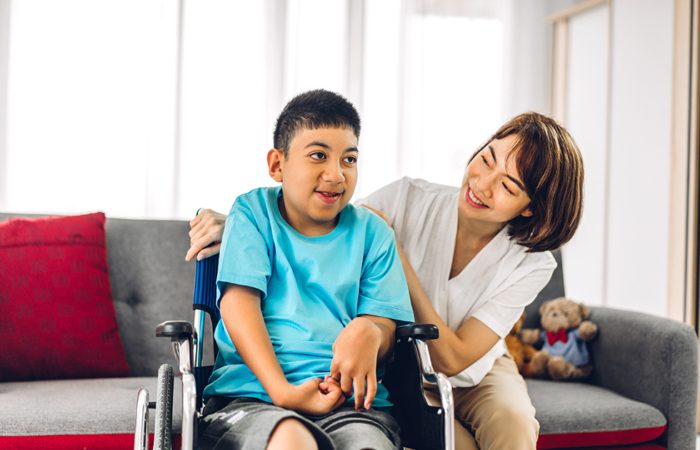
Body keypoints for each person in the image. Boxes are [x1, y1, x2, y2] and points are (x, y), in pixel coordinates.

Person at [188, 111, 584, 450]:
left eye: (508, 185)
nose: (482, 183)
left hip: (473, 368)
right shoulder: (408, 197)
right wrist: (239, 225)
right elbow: (321, 217)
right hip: (404, 364)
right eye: (486, 159)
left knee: (513, 424)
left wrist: (398, 256)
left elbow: (455, 358)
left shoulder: (533, 264)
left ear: (530, 209)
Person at [196, 89, 415, 450]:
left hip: (352, 403)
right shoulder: (252, 212)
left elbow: (386, 329)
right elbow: (238, 304)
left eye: (349, 159)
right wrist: (283, 392)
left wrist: (371, 332)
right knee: (292, 440)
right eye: (318, 156)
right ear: (277, 164)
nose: (336, 174)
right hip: (253, 395)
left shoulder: (373, 233)